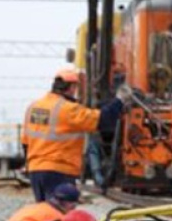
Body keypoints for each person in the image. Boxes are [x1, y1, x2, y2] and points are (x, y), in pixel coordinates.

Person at [22, 67, 128, 202]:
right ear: (72, 87)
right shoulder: (68, 109)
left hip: (36, 171)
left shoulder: (33, 107)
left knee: (44, 213)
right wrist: (120, 100)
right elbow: (101, 120)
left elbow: (25, 143)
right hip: (59, 171)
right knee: (59, 214)